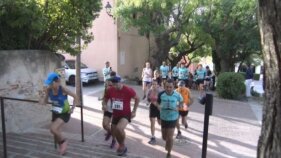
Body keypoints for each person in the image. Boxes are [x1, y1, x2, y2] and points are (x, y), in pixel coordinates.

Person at [39, 72, 79, 155]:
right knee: (56, 132)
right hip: (56, 112)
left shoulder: (63, 89)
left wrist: (72, 108)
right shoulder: (49, 90)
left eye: (51, 83)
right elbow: (44, 102)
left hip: (64, 113)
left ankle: (64, 142)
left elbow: (75, 96)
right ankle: (61, 147)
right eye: (49, 83)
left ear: (56, 82)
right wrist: (41, 95)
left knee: (53, 129)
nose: (49, 85)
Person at [103, 76, 140, 156]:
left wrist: (134, 111)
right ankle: (121, 145)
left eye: (116, 84)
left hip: (125, 114)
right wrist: (104, 104)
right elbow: (105, 98)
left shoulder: (128, 90)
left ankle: (122, 145)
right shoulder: (110, 90)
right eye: (114, 85)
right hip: (115, 114)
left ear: (121, 82)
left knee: (119, 129)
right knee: (115, 132)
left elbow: (137, 98)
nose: (115, 86)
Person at [157, 79, 183, 158]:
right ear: (164, 87)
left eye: (170, 87)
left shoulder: (177, 95)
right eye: (167, 87)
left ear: (173, 87)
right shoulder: (161, 94)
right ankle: (167, 143)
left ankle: (169, 153)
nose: (169, 89)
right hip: (163, 117)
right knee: (164, 137)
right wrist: (159, 108)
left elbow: (181, 102)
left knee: (170, 137)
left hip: (173, 118)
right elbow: (157, 103)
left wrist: (178, 107)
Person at [101, 71, 117, 148]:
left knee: (113, 126)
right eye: (108, 82)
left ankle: (114, 140)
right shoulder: (107, 89)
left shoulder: (118, 89)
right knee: (104, 125)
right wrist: (103, 105)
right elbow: (104, 99)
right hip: (108, 109)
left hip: (116, 111)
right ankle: (110, 132)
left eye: (110, 82)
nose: (108, 83)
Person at [147, 79, 161, 145]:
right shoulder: (150, 90)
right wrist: (150, 102)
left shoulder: (160, 91)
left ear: (157, 85)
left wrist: (158, 105)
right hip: (152, 107)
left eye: (155, 84)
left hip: (159, 108)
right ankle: (153, 137)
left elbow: (162, 101)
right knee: (152, 122)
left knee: (160, 123)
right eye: (153, 84)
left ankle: (166, 131)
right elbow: (148, 99)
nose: (154, 85)